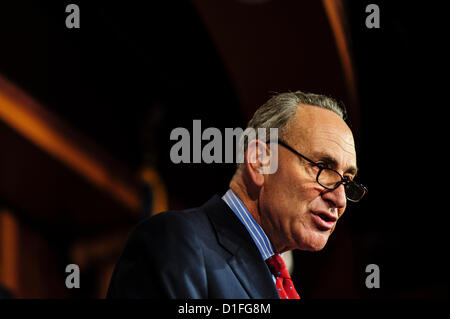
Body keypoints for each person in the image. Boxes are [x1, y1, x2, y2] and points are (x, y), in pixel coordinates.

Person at [106, 91, 367, 299]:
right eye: (322, 168)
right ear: (259, 161)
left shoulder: (279, 280)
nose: (340, 200)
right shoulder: (178, 244)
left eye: (348, 182)